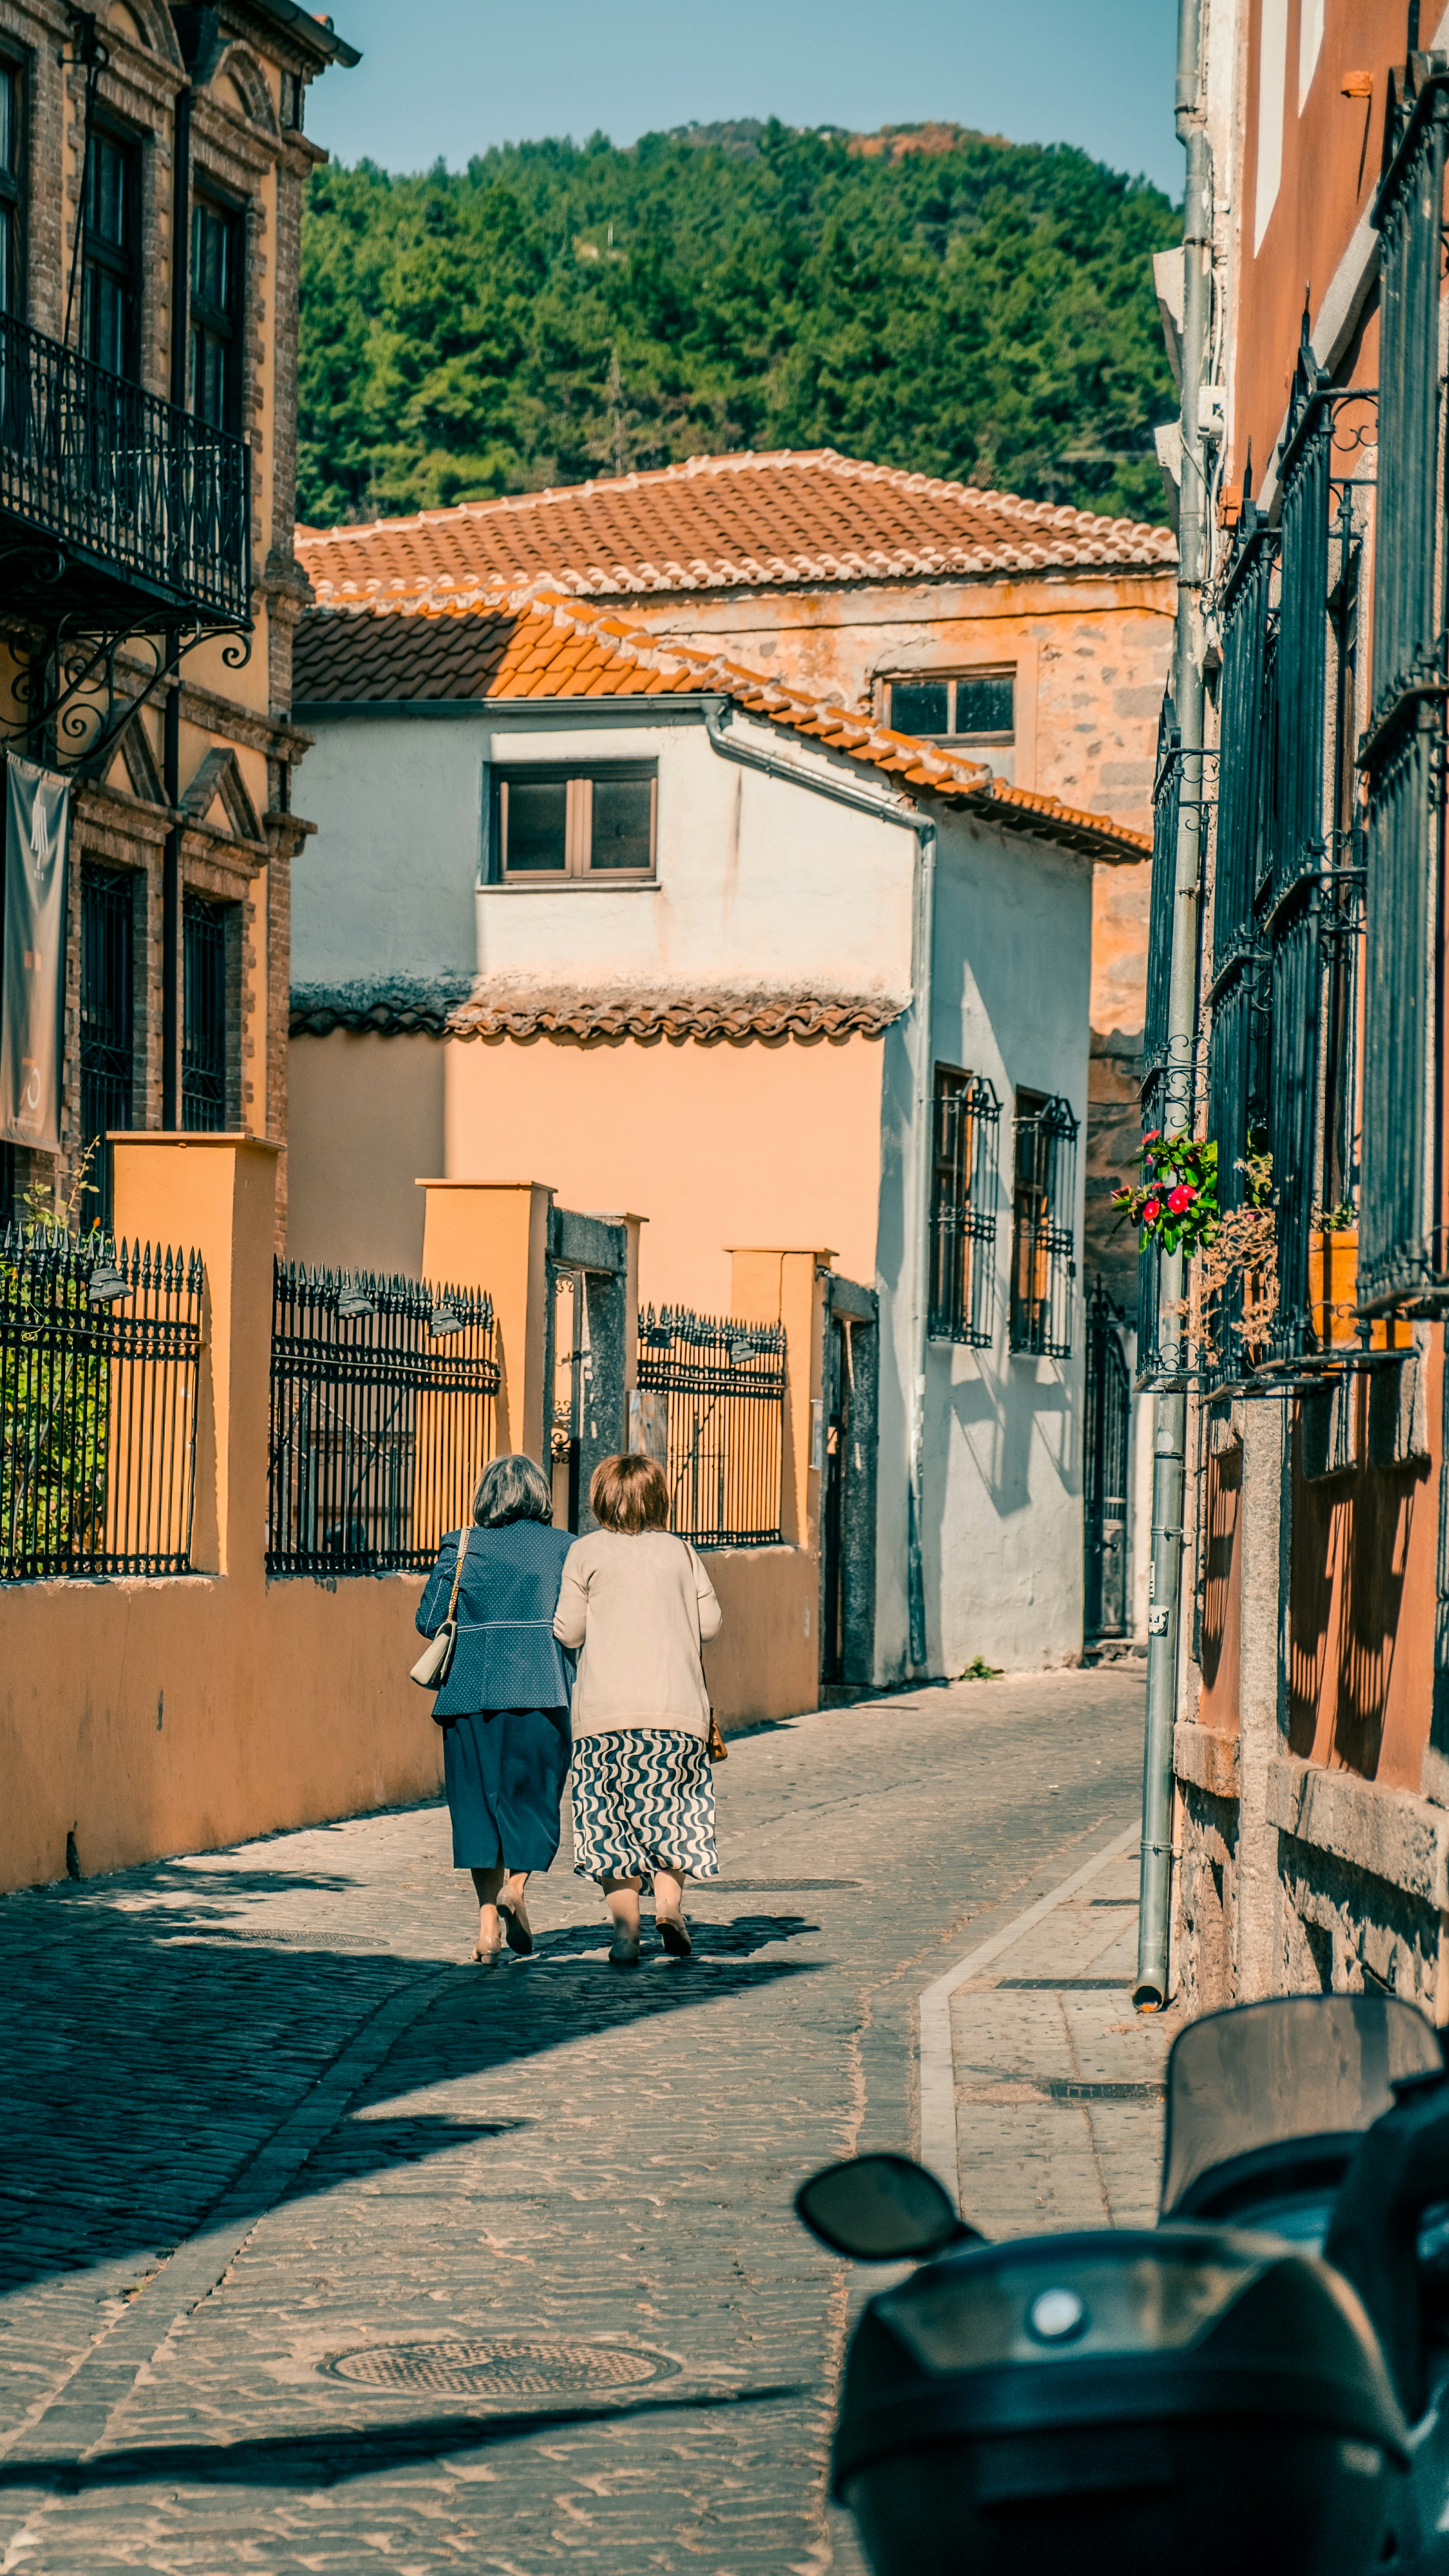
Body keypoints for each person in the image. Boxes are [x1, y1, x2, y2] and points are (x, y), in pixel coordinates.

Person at [553, 1453, 723, 1968]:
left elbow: (569, 1631)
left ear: (600, 1497)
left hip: (604, 1718)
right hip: (676, 1714)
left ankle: (626, 1935)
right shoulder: (680, 1552)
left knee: (609, 1824)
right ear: (658, 1498)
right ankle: (669, 1906)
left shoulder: (584, 1553)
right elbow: (710, 1623)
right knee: (675, 1812)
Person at [415, 1453, 574, 1964]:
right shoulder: (564, 1548)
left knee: (477, 1806)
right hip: (541, 1688)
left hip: (469, 1695)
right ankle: (518, 1888)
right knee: (534, 1798)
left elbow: (429, 1620)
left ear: (486, 1494)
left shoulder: (460, 1545)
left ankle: (487, 1929)